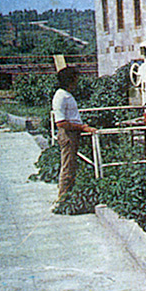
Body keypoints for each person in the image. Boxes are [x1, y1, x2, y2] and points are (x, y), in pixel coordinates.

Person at [51, 67, 95, 210]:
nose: (77, 82)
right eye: (75, 79)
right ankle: (62, 200)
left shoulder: (66, 95)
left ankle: (67, 196)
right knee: (67, 167)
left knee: (71, 165)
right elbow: (61, 122)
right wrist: (82, 127)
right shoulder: (61, 96)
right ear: (70, 80)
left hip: (73, 133)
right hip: (68, 134)